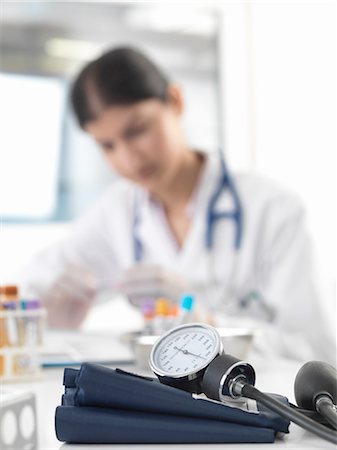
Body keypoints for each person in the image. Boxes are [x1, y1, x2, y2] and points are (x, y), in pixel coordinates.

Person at [19, 46, 335, 362]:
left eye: (138, 130)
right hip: (168, 402)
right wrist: (46, 319)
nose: (128, 159)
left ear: (175, 101)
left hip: (259, 401)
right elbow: (26, 290)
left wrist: (212, 326)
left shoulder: (273, 209)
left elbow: (316, 352)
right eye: (107, 145)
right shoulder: (118, 212)